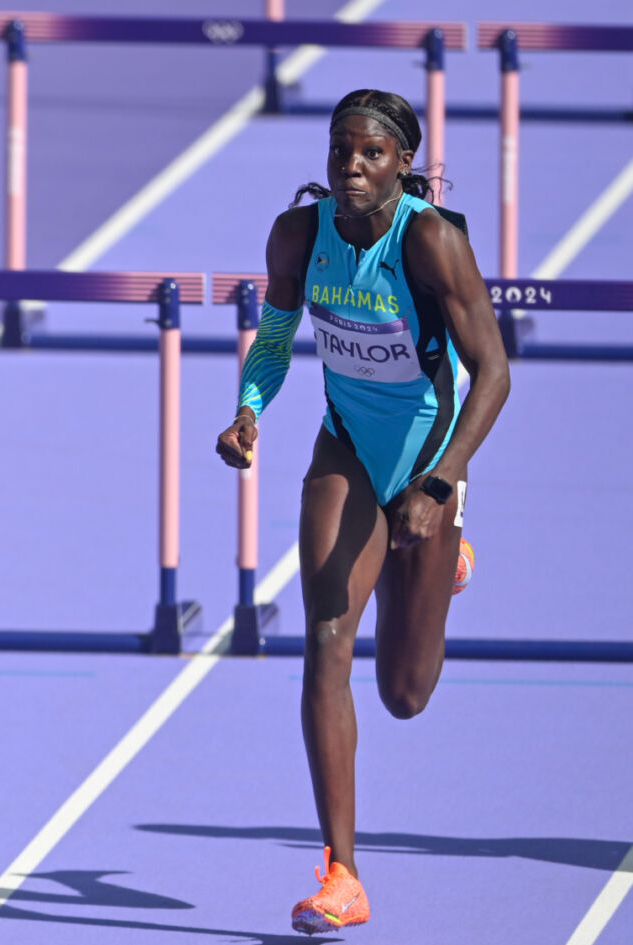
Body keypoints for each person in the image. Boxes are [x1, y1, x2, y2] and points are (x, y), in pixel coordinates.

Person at [214, 90, 510, 935]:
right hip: (344, 445)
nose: (352, 165)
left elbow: (493, 374)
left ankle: (444, 560)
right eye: (342, 149)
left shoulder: (430, 242)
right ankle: (342, 873)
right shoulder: (298, 236)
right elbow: (275, 334)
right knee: (326, 642)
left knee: (406, 694)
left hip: (426, 460)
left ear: (402, 164)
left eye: (371, 154)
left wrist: (441, 484)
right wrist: (250, 409)